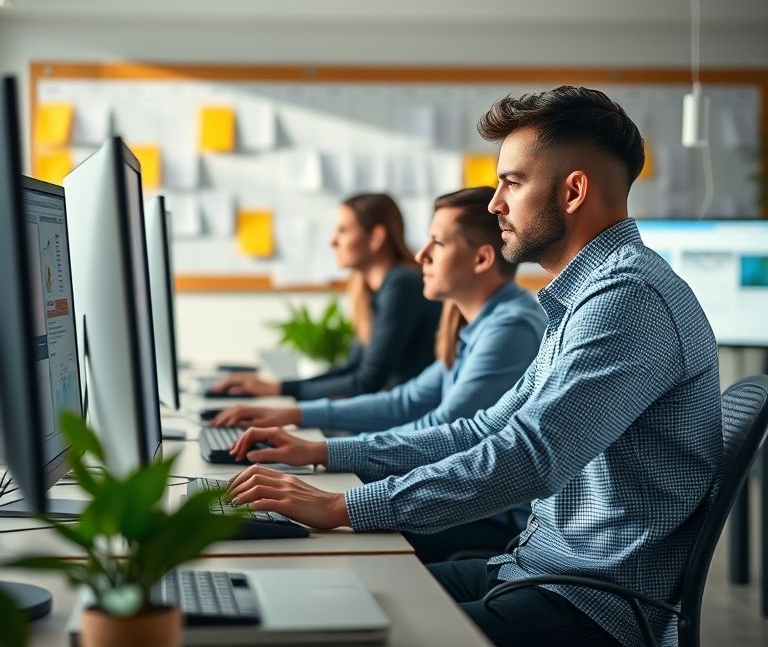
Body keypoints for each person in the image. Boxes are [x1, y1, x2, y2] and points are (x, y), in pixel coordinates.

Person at [224, 87, 723, 647]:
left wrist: (343, 506)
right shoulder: (588, 299)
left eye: (511, 182)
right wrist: (327, 455)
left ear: (573, 190)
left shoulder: (628, 300)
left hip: (588, 605)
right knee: (324, 591)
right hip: (530, 570)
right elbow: (484, 429)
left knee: (334, 631)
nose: (494, 205)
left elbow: (530, 458)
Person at [211, 187, 546, 561]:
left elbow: (452, 428)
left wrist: (322, 450)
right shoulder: (478, 324)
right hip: (454, 491)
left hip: (491, 517)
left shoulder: (510, 327)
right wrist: (298, 419)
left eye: (437, 242)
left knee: (323, 543)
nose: (421, 256)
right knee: (304, 510)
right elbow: (407, 400)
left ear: (482, 259)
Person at [209, 193, 441, 401]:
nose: (332, 241)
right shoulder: (377, 290)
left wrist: (279, 390)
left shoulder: (402, 284)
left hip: (407, 422)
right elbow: (352, 368)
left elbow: (367, 381)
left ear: (376, 237)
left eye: (343, 230)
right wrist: (277, 387)